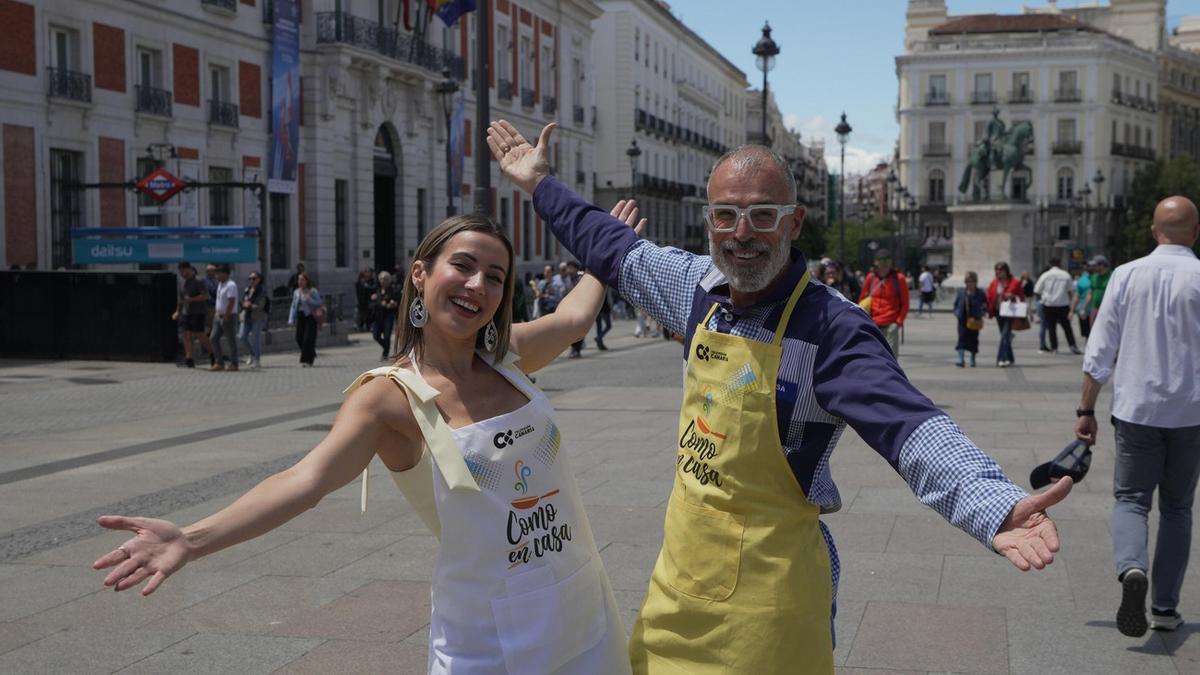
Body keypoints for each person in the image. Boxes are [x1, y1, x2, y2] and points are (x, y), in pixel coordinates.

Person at [489, 119, 1071, 674]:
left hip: (770, 607)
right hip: (678, 587)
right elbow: (610, 245)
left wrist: (990, 502)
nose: (742, 233)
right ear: (710, 221)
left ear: (795, 223)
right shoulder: (696, 288)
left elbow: (908, 424)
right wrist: (541, 184)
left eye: (762, 215)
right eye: (726, 215)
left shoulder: (834, 329)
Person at [92, 208, 646, 674]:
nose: (479, 285)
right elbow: (305, 480)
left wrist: (606, 248)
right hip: (489, 641)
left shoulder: (508, 358)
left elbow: (574, 317)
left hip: (579, 608)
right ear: (420, 274)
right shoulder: (389, 396)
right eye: (463, 266)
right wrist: (191, 539)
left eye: (495, 277)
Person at [1073, 196, 1200, 638]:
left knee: (1130, 500)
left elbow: (1100, 350)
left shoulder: (1126, 275)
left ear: (1153, 231)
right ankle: (1164, 607)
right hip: (1191, 413)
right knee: (1178, 508)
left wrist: (1086, 409)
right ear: (1196, 233)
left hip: (1136, 410)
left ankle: (1132, 569)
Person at [858, 248, 909, 356]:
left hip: (891, 323)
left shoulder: (899, 278)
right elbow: (862, 299)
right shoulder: (870, 278)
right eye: (882, 261)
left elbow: (905, 303)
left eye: (888, 261)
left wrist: (898, 322)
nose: (885, 264)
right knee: (872, 355)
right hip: (873, 323)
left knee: (890, 357)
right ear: (876, 262)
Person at [1033, 258, 1080, 355]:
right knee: (1067, 327)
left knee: (1051, 328)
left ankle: (1054, 347)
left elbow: (1037, 290)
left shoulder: (1045, 275)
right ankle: (1072, 345)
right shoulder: (1065, 275)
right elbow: (1070, 291)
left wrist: (1044, 297)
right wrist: (1072, 307)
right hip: (1063, 304)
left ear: (1050, 264)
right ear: (1060, 264)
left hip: (1049, 304)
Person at [171, 262, 212, 369]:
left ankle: (213, 354)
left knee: (199, 334)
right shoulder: (183, 282)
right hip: (186, 312)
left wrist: (191, 299)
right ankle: (189, 359)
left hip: (198, 312)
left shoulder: (198, 280)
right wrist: (177, 311)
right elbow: (181, 299)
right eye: (180, 272)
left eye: (184, 271)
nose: (182, 274)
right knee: (186, 334)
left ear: (189, 269)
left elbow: (205, 296)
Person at [986, 261, 1024, 368]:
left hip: (1010, 312)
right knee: (1005, 336)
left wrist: (1012, 296)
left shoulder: (1014, 282)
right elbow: (989, 295)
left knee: (1004, 335)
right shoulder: (994, 283)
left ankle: (1001, 359)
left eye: (1000, 269)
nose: (998, 271)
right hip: (998, 312)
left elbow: (1021, 296)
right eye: (996, 269)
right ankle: (1010, 358)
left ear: (1006, 271)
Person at [209, 264, 239, 372]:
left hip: (228, 316)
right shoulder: (220, 284)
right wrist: (216, 313)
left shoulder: (231, 285)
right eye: (216, 274)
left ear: (226, 274)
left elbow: (231, 301)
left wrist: (226, 315)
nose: (216, 276)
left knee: (231, 340)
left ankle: (234, 363)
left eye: (218, 274)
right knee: (213, 338)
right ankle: (219, 363)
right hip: (218, 316)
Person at [288, 272, 322, 367]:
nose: (300, 282)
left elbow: (319, 302)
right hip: (300, 316)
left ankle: (307, 360)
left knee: (307, 339)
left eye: (302, 280)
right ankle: (311, 352)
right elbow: (293, 306)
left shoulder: (312, 291)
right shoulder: (296, 292)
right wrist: (291, 318)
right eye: (299, 280)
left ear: (307, 281)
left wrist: (309, 299)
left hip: (310, 316)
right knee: (299, 338)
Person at [953, 271, 986, 368]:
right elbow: (956, 305)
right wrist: (956, 313)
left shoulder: (980, 293)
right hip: (962, 319)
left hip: (975, 320)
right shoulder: (961, 292)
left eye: (972, 281)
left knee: (974, 339)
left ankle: (972, 359)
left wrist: (982, 312)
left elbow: (985, 305)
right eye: (967, 281)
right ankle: (961, 359)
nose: (969, 283)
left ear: (975, 282)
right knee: (961, 338)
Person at [239, 271, 268, 369]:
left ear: (259, 279)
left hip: (258, 317)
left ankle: (257, 360)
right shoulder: (247, 289)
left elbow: (261, 305)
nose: (251, 280)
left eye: (254, 278)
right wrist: (243, 304)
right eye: (250, 278)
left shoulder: (262, 291)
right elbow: (244, 300)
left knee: (255, 338)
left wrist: (250, 305)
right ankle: (252, 353)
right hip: (247, 316)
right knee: (242, 337)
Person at [370, 271, 401, 361]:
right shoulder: (376, 289)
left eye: (386, 279)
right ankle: (386, 346)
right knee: (376, 335)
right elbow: (371, 303)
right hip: (378, 316)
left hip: (388, 315)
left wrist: (393, 303)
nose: (383, 281)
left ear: (389, 280)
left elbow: (397, 300)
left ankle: (385, 353)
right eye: (382, 279)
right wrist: (379, 302)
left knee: (387, 336)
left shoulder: (393, 290)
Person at [1086, 255, 1113, 329]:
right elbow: (1090, 293)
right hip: (1094, 308)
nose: (1092, 267)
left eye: (1095, 265)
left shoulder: (1112, 275)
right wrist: (1084, 308)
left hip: (1107, 308)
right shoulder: (1094, 277)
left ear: (1102, 265)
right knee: (1093, 329)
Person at [1071, 262, 1093, 339]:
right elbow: (1076, 296)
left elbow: (1076, 296)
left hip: (1086, 310)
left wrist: (1072, 311)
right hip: (1086, 310)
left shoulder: (1081, 280)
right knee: (1089, 334)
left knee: (1088, 334)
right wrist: (1072, 310)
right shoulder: (1082, 280)